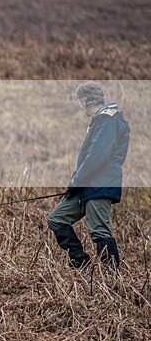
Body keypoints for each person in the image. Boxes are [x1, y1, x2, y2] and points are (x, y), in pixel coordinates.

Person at [47, 81, 130, 270]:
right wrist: (77, 182)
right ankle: (81, 262)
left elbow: (98, 156)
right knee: (55, 218)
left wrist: (77, 180)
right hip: (87, 184)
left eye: (79, 103)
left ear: (84, 102)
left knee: (99, 232)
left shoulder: (108, 119)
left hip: (100, 184)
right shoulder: (101, 120)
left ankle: (112, 277)